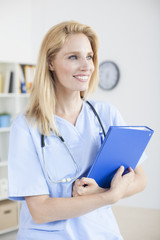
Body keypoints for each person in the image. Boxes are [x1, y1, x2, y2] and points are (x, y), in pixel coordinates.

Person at [8, 20, 147, 240]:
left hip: (101, 233)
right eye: (73, 57)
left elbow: (139, 178)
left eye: (89, 57)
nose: (87, 66)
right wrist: (108, 197)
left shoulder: (106, 114)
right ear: (50, 62)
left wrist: (102, 191)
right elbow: (41, 210)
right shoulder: (26, 126)